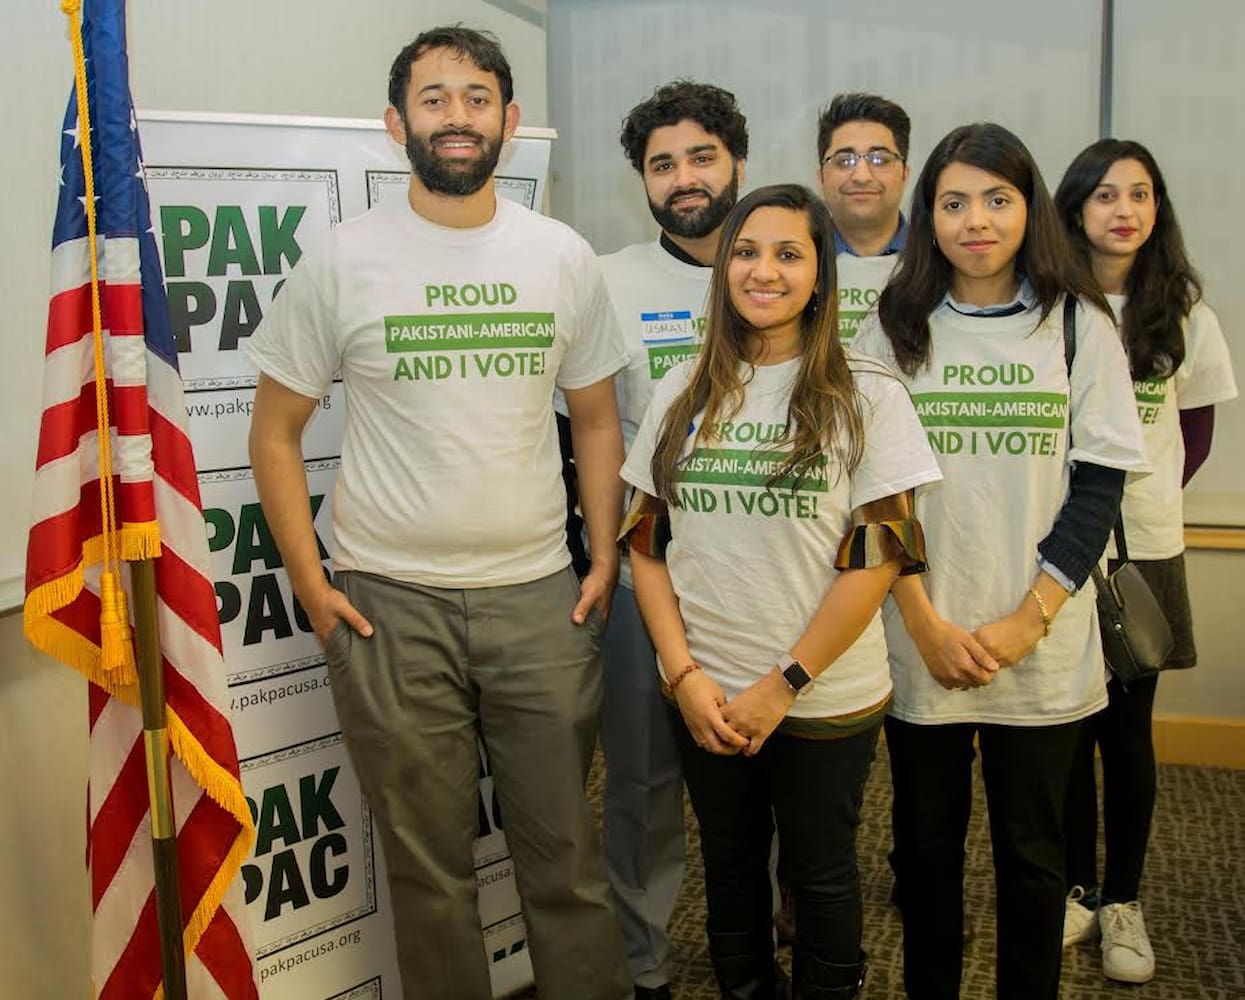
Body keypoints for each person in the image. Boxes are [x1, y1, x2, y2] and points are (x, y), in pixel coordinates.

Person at [245, 26, 631, 1000]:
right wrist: (311, 580)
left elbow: (593, 419)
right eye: (433, 97)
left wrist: (603, 558)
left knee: (567, 865)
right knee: (428, 875)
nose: (455, 115)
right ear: (394, 124)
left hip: (540, 599)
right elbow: (275, 431)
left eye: (475, 97)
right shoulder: (340, 260)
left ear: (508, 120)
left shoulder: (562, 257)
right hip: (388, 608)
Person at [622, 183, 942, 999]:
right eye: (746, 252)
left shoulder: (866, 394)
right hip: (704, 694)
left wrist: (784, 683)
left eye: (788, 253)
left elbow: (875, 561)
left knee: (821, 873)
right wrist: (682, 676)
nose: (763, 271)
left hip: (823, 698)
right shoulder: (681, 390)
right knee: (727, 872)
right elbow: (646, 547)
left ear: (819, 275)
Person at [852, 122, 1149, 1000]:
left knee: (1033, 859)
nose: (974, 220)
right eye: (952, 202)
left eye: (996, 199)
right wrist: (921, 620)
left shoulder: (1076, 325)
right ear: (927, 214)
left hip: (1042, 643)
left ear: (1028, 209)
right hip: (921, 638)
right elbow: (874, 493)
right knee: (925, 859)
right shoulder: (891, 325)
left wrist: (1030, 617)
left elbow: (1097, 485)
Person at [1054, 139, 1238, 984]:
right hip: (1055, 547)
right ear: (1074, 209)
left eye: (1138, 194)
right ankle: (1078, 890)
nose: (1122, 209)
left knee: (1126, 736)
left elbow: (1189, 435)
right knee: (1064, 729)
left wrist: (1143, 496)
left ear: (1155, 208)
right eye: (1103, 195)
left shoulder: (1183, 312)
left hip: (1143, 547)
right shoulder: (1047, 306)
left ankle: (1123, 897)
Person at [601, 79, 748, 1000]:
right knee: (643, 781)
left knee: (772, 770)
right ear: (643, 183)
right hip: (642, 575)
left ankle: (778, 921)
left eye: (701, 156)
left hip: (772, 575)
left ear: (736, 161)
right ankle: (643, 959)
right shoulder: (607, 281)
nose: (683, 177)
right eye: (662, 164)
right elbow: (588, 430)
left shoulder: (787, 264)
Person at [815, 93, 911, 344]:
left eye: (879, 159)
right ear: (821, 177)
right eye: (844, 161)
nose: (861, 176)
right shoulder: (796, 262)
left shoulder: (937, 258)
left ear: (905, 173)